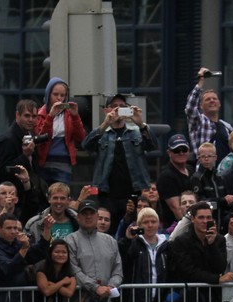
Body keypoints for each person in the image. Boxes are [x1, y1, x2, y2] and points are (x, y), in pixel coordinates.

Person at [82, 94, 154, 233]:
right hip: (107, 194)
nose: (117, 110)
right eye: (114, 106)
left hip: (132, 192)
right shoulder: (102, 133)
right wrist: (105, 124)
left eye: (122, 107)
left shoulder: (136, 132)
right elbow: (86, 145)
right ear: (106, 110)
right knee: (107, 231)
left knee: (131, 230)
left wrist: (141, 123)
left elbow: (153, 145)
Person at [162, 201, 231, 302]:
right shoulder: (181, 241)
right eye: (201, 217)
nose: (205, 221)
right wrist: (216, 279)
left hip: (213, 297)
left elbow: (220, 267)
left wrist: (211, 244)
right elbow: (188, 271)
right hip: (188, 299)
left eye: (208, 217)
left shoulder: (219, 240)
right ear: (193, 219)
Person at [34, 78, 85, 186]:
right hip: (44, 162)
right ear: (48, 94)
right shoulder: (40, 114)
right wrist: (50, 116)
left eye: (62, 95)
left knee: (61, 193)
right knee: (43, 193)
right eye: (55, 94)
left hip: (63, 163)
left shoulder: (69, 114)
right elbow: (41, 137)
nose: (59, 98)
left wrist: (75, 116)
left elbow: (81, 137)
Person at [0, 99, 39, 199]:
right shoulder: (7, 140)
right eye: (27, 116)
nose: (31, 120)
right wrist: (25, 156)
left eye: (34, 116)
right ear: (17, 115)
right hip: (11, 197)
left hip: (27, 196)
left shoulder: (29, 136)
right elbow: (3, 171)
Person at [186, 67, 233, 161]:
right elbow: (190, 108)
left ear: (219, 104)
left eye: (214, 99)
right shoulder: (199, 121)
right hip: (205, 168)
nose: (212, 101)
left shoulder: (227, 126)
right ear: (201, 106)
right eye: (207, 99)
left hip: (224, 169)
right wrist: (201, 81)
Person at [34, 238, 78, 302]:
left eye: (64, 252)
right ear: (50, 253)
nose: (60, 255)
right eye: (57, 252)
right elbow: (46, 291)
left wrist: (52, 285)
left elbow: (69, 293)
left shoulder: (70, 270)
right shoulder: (42, 268)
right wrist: (62, 282)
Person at [157, 134, 195, 226]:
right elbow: (177, 209)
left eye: (184, 149)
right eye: (176, 150)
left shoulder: (191, 170)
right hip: (175, 227)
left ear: (188, 151)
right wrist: (192, 228)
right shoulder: (166, 177)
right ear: (169, 152)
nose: (181, 153)